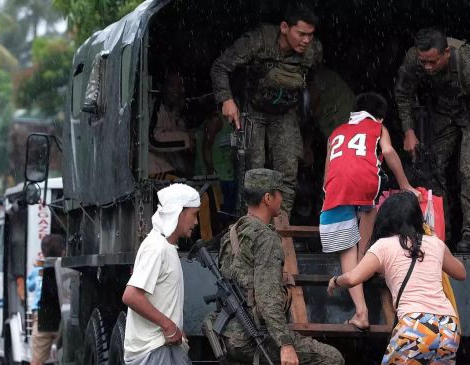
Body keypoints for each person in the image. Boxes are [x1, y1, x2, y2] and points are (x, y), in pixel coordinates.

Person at [218, 168, 346, 365]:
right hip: (258, 336)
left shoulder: (234, 232)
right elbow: (266, 298)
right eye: (280, 194)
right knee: (331, 361)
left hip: (233, 335)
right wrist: (285, 345)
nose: (283, 199)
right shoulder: (266, 239)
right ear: (267, 198)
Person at [328, 192, 467, 365]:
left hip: (414, 326)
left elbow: (354, 276)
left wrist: (336, 281)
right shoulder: (434, 244)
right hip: (448, 326)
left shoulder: (384, 246)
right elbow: (461, 272)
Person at [394, 28, 470, 252]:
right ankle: (438, 231)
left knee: (469, 168)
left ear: (446, 53)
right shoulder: (415, 57)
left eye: (432, 62)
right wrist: (409, 131)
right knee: (431, 165)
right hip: (446, 109)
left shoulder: (469, 62)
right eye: (423, 62)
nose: (427, 67)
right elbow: (403, 94)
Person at [210, 8, 323, 216]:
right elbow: (220, 67)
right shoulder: (259, 40)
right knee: (254, 171)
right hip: (255, 110)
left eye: (310, 34)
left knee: (288, 169)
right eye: (301, 34)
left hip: (285, 112)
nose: (306, 40)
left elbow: (313, 82)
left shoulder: (313, 51)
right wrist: (226, 99)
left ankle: (282, 224)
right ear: (284, 28)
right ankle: (252, 223)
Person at [121, 183, 209, 365]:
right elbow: (131, 295)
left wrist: (175, 332)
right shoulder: (155, 247)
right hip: (152, 346)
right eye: (193, 215)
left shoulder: (167, 248)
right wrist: (168, 325)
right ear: (179, 213)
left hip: (169, 345)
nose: (195, 222)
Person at [321, 93, 418, 331]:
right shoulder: (378, 127)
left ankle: (361, 313)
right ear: (380, 116)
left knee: (346, 250)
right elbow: (388, 152)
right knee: (369, 206)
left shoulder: (335, 133)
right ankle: (366, 253)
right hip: (367, 182)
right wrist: (405, 185)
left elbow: (328, 170)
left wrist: (329, 195)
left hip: (337, 187)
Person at [18, 234, 65, 365]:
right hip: (63, 316)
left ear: (43, 251)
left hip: (43, 316)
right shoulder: (65, 266)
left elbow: (29, 287)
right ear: (62, 250)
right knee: (65, 363)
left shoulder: (39, 268)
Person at [150, 72, 197, 178]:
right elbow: (154, 139)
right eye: (172, 85)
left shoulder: (172, 109)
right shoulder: (154, 105)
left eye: (180, 86)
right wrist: (186, 138)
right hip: (154, 170)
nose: (177, 90)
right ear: (163, 86)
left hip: (168, 168)